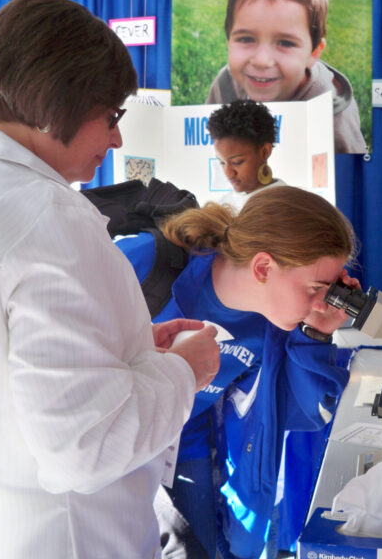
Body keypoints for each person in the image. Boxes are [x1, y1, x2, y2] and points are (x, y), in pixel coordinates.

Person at [0, 0, 220, 559]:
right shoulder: (47, 217)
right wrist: (184, 371)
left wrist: (124, 350)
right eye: (112, 117)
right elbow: (85, 446)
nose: (117, 140)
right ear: (57, 109)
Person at [118, 186, 358, 558]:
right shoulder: (146, 264)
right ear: (263, 268)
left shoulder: (273, 324)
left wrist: (316, 333)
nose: (319, 302)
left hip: (184, 440)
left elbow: (299, 413)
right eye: (316, 288)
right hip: (116, 437)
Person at [205, 0, 366, 155]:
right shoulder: (225, 86)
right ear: (229, 42)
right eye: (246, 39)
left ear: (313, 53)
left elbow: (351, 166)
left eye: (285, 43)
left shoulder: (332, 113)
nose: (262, 61)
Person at [208, 99, 285, 212]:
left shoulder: (289, 205)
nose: (228, 173)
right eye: (222, 163)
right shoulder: (222, 206)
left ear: (265, 152)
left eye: (237, 162)